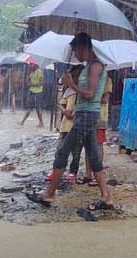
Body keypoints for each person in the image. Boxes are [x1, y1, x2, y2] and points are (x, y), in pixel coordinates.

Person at [28, 32, 114, 211]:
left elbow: (90, 94)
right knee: (93, 157)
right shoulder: (89, 66)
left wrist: (71, 84)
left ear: (84, 48)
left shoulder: (95, 67)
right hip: (86, 114)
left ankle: (50, 194)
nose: (75, 55)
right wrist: (71, 82)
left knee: (62, 152)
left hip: (86, 115)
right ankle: (106, 197)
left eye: (76, 51)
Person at [45, 65, 84, 184]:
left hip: (78, 125)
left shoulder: (84, 90)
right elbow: (61, 104)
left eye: (78, 76)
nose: (76, 78)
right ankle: (56, 170)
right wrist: (65, 111)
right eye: (74, 76)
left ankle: (73, 172)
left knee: (76, 151)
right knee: (60, 149)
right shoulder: (69, 90)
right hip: (65, 125)